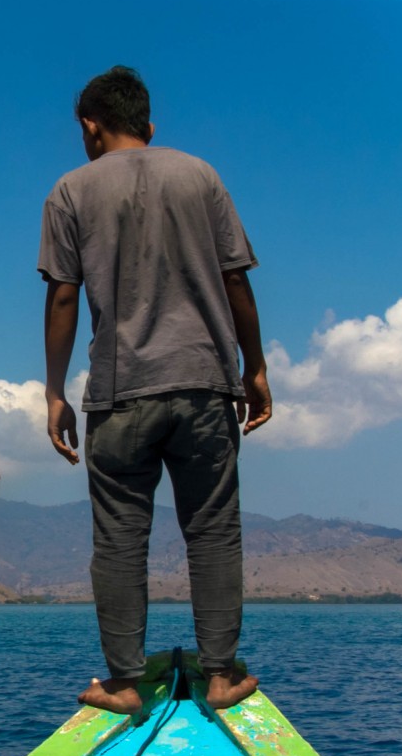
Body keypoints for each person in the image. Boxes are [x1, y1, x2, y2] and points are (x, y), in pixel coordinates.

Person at [39, 66, 272, 716]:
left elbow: (62, 295)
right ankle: (221, 677)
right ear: (148, 124)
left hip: (120, 393)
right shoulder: (201, 176)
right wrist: (253, 369)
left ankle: (123, 683)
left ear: (90, 126)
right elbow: (236, 283)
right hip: (204, 382)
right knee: (213, 530)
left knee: (118, 537)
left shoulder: (70, 190)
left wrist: (55, 391)